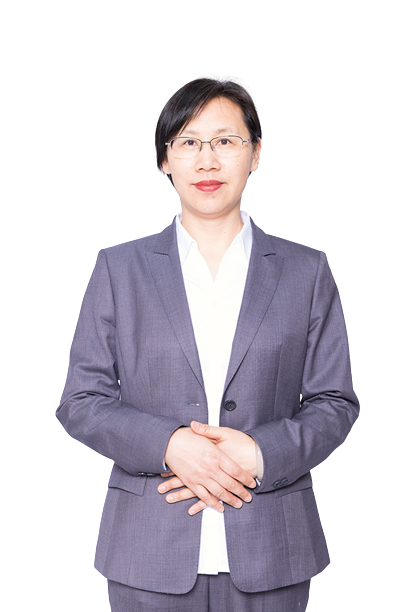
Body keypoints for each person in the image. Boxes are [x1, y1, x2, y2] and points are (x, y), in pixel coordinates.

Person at [56, 73, 359, 611]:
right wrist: (170, 445)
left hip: (274, 550)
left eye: (225, 141)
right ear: (164, 159)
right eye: (188, 142)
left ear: (256, 153)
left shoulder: (306, 270)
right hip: (147, 553)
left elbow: (334, 402)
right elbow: (81, 402)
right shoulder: (118, 269)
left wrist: (260, 452)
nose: (207, 160)